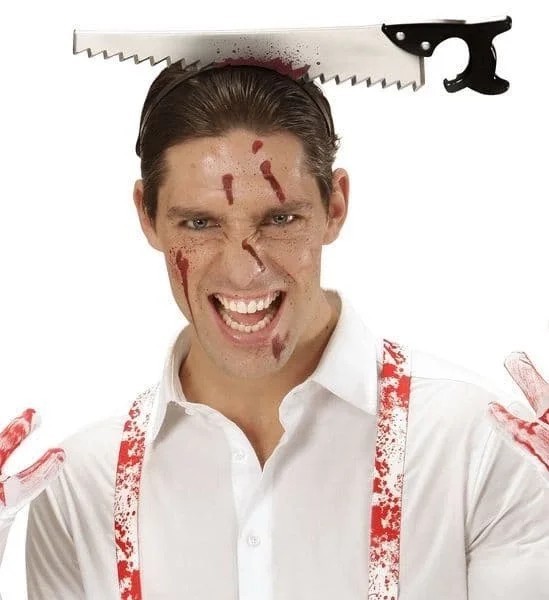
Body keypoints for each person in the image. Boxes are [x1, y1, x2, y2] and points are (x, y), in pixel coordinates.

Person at [0, 61, 547, 599]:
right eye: (199, 223)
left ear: (335, 206)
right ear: (147, 215)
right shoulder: (79, 486)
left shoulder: (477, 446)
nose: (244, 270)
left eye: (280, 219)